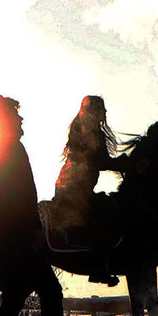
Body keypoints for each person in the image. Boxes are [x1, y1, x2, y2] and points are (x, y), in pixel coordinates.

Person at [0, 95, 71, 316]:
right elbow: (17, 199)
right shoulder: (8, 151)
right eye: (16, 114)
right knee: (47, 292)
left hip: (3, 234)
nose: (21, 119)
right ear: (4, 119)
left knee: (16, 297)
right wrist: (35, 230)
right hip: (16, 236)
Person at [51, 95, 121, 286]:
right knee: (103, 214)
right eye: (101, 110)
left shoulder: (80, 128)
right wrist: (130, 164)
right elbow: (103, 161)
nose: (104, 114)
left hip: (71, 188)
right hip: (76, 191)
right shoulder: (90, 132)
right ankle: (99, 267)